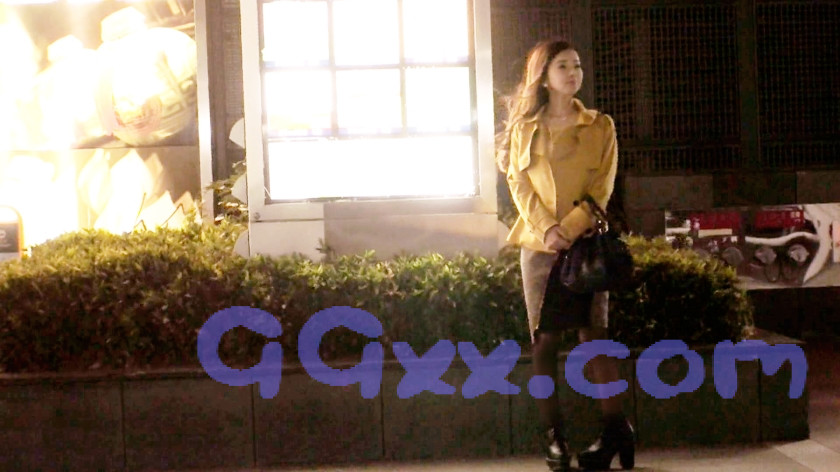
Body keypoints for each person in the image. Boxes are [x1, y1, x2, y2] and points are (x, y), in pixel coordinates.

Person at [496, 39, 635, 471]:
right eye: (563, 66)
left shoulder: (600, 125)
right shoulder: (524, 128)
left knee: (594, 338)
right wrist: (547, 229)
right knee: (543, 343)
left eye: (576, 66)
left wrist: (570, 229)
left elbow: (602, 187)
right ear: (544, 76)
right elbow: (518, 185)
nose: (573, 73)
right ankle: (554, 437)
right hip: (539, 248)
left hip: (587, 245)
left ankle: (616, 430)